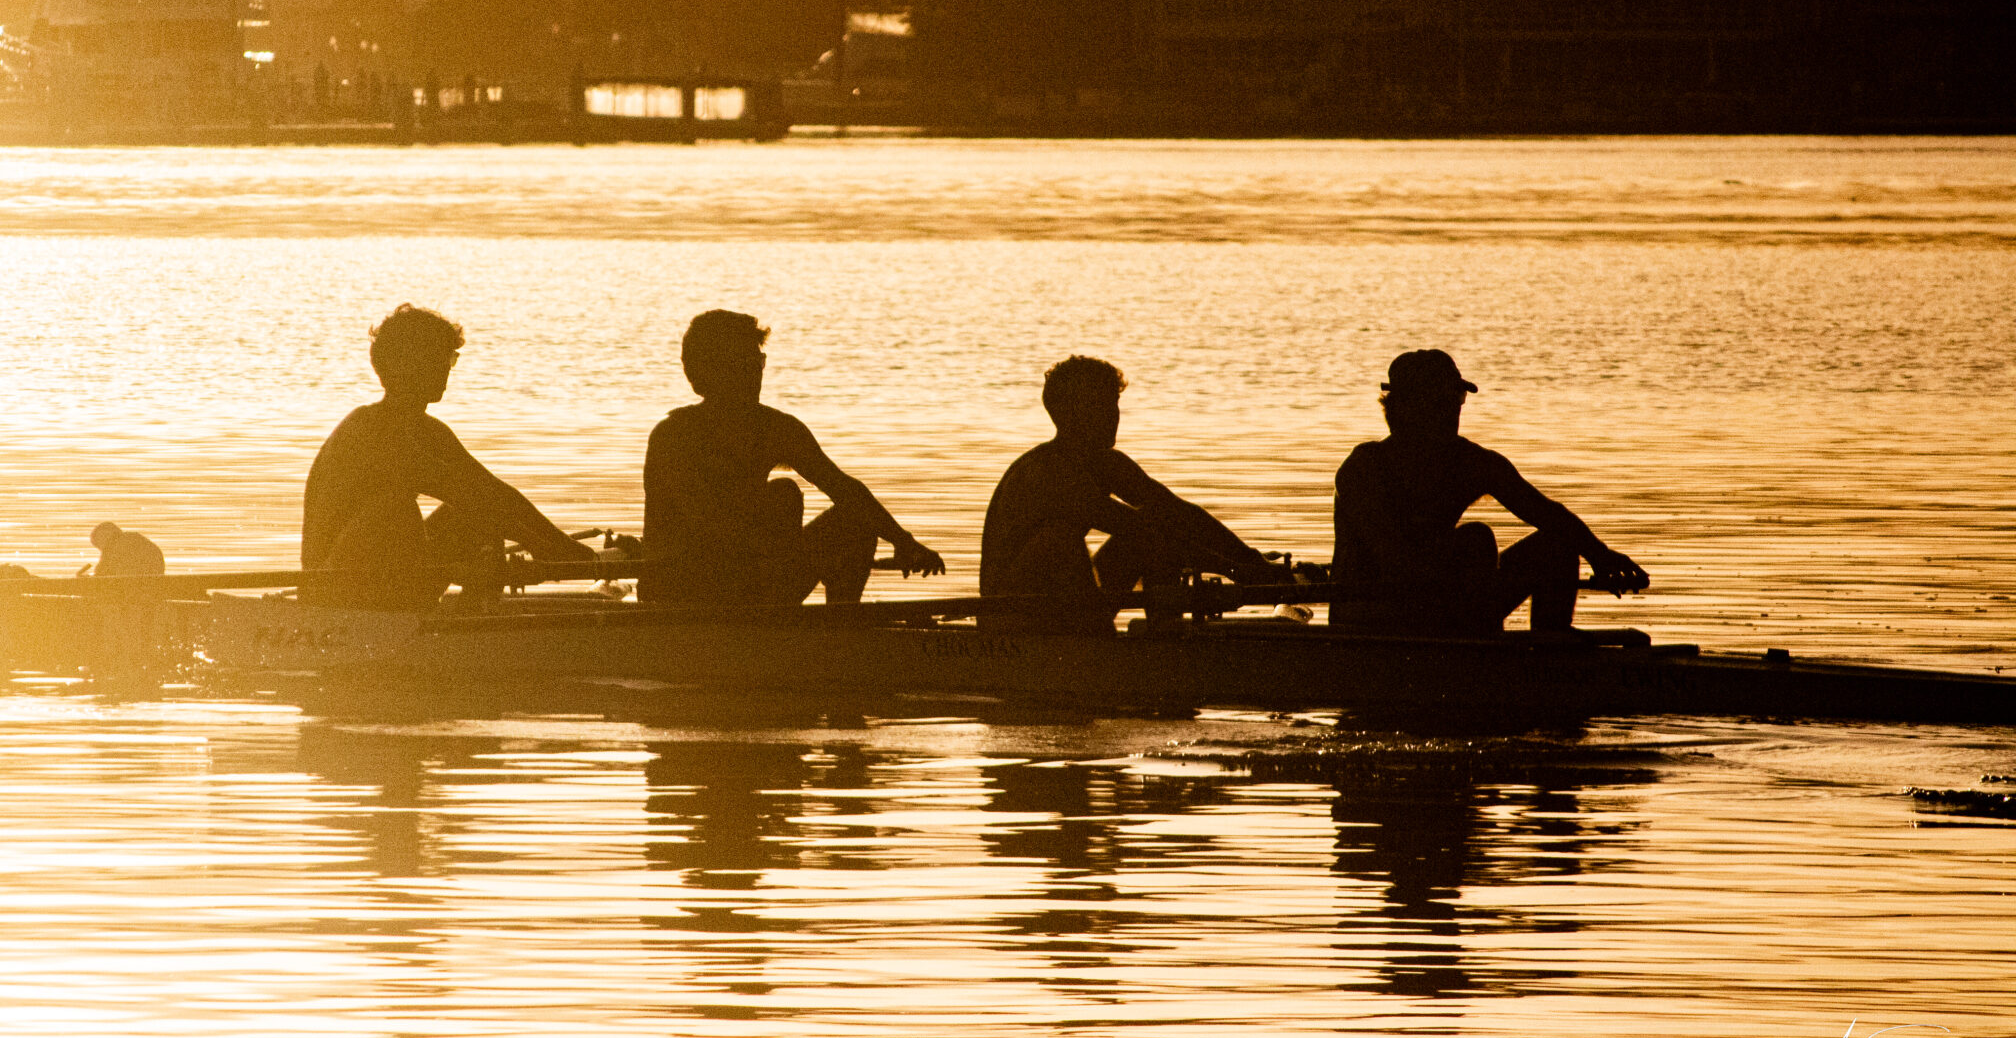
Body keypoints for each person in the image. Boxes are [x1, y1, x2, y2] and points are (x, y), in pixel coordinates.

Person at [1331, 349, 1648, 636]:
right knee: (1476, 539)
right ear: (1405, 408)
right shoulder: (1364, 469)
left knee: (1559, 542)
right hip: (1370, 614)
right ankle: (1481, 645)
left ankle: (1551, 648)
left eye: (1456, 400)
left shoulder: (1471, 462)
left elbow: (1549, 514)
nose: (1453, 412)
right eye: (1440, 403)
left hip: (1447, 606)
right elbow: (1393, 559)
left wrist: (1601, 556)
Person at [640, 310, 944, 606]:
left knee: (855, 519)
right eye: (743, 363)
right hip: (680, 590)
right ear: (708, 371)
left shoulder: (777, 428)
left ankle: (841, 630)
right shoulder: (673, 436)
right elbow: (700, 527)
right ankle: (796, 628)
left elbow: (846, 490)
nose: (755, 373)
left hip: (754, 581)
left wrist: (904, 542)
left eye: (757, 362)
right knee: (785, 496)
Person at [301, 304, 590, 610]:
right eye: (436, 358)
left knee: (472, 519)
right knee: (396, 511)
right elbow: (464, 493)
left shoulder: (431, 432)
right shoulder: (372, 431)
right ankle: (450, 623)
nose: (445, 369)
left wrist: (567, 548)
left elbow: (496, 493)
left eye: (449, 359)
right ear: (402, 364)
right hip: (333, 598)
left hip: (380, 578)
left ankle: (479, 616)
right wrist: (544, 547)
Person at [981, 355, 1282, 622]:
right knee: (1062, 540)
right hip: (1011, 615)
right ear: (1071, 414)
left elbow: (1179, 513)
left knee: (1157, 524)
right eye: (1101, 406)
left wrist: (1250, 559)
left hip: (1061, 594)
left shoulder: (1109, 464)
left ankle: (1165, 635)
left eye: (1114, 404)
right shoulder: (1048, 471)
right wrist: (1233, 570)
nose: (1113, 416)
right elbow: (1141, 528)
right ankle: (1114, 642)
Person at [86, 521, 166, 578]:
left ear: (104, 536)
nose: (102, 551)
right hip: (152, 592)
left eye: (99, 545)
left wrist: (85, 580)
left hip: (127, 595)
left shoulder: (113, 545)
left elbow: (100, 577)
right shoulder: (140, 540)